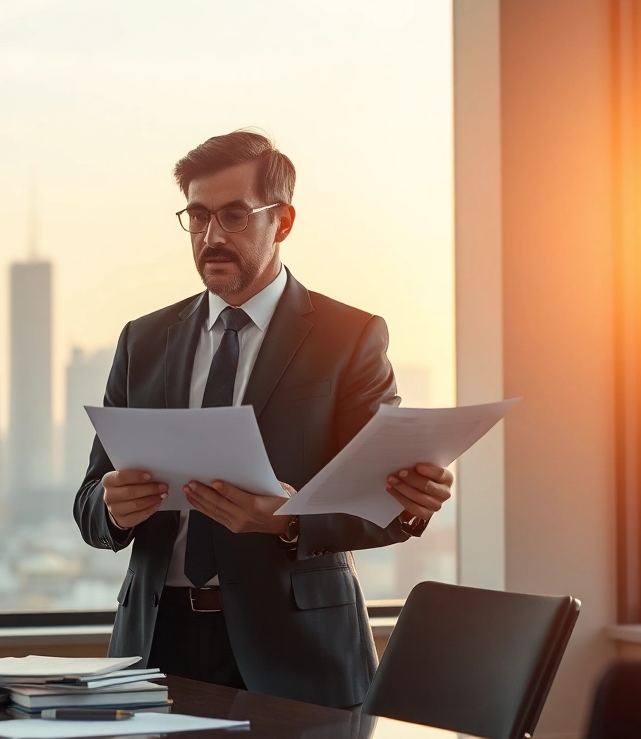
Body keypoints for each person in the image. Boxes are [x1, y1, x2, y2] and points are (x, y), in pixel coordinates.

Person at [72, 130, 453, 708]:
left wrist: (290, 519)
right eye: (197, 217)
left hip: (296, 652)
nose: (211, 236)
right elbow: (89, 504)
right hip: (155, 646)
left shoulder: (348, 338)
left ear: (284, 221)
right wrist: (111, 507)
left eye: (234, 216)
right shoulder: (144, 339)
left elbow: (385, 506)